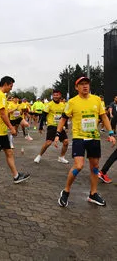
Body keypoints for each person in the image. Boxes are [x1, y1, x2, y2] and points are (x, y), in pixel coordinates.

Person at [55, 77, 116, 207]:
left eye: (87, 84)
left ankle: (93, 194)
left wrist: (111, 133)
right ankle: (66, 191)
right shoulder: (72, 102)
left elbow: (104, 116)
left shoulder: (96, 100)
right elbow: (63, 119)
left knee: (95, 167)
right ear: (76, 87)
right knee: (78, 166)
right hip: (79, 138)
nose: (85, 86)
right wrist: (57, 134)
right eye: (81, 84)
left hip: (94, 138)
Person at [0, 76, 30, 185]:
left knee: (9, 152)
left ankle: (16, 176)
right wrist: (11, 127)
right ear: (5, 84)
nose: (11, 88)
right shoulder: (0, 95)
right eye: (11, 86)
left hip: (0, 130)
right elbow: (3, 114)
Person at [34, 90, 69, 164]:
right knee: (48, 142)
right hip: (52, 126)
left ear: (60, 96)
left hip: (61, 126)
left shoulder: (63, 105)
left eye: (57, 95)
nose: (55, 96)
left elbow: (64, 117)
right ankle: (39, 155)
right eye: (54, 95)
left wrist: (66, 126)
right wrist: (40, 127)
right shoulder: (49, 104)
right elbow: (43, 116)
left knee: (66, 142)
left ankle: (61, 157)